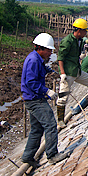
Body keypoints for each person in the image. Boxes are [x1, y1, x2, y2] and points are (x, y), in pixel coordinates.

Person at [21, 33, 70, 166]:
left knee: (37, 129)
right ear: (41, 48)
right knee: (50, 125)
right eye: (49, 50)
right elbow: (31, 82)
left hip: (33, 98)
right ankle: (52, 155)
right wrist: (47, 91)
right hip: (35, 100)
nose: (50, 53)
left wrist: (50, 71)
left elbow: (40, 69)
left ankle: (27, 156)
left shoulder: (37, 59)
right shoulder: (33, 60)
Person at [57, 18, 88, 128]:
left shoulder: (79, 40)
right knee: (63, 96)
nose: (86, 33)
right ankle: (60, 120)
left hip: (77, 71)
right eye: (85, 31)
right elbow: (60, 58)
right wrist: (62, 73)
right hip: (69, 73)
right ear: (79, 30)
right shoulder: (67, 41)